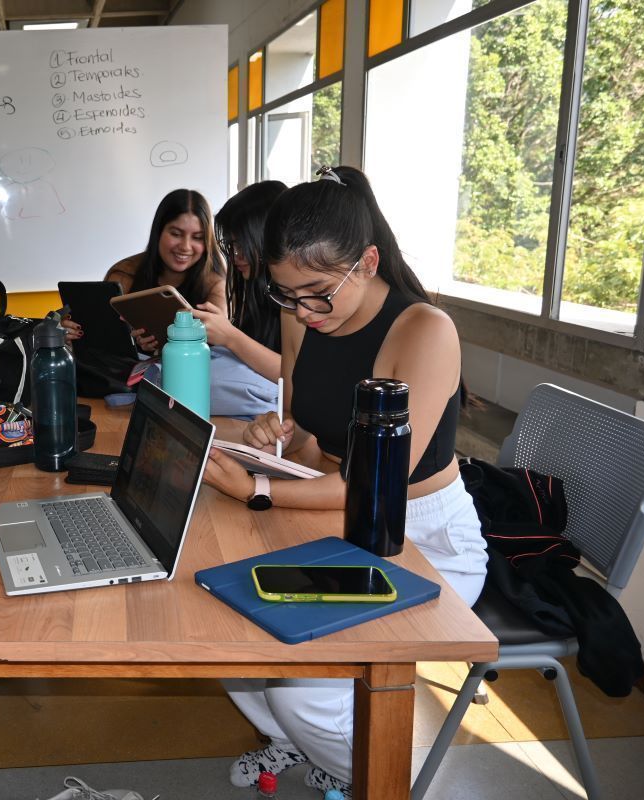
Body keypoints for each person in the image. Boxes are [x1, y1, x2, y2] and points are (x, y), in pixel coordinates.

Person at [202, 166, 488, 798]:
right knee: (228, 638)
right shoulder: (304, 316)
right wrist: (275, 437)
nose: (303, 310)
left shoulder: (423, 330)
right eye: (286, 295)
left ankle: (381, 780)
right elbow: (312, 432)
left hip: (425, 542)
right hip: (338, 517)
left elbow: (377, 483)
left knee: (304, 689)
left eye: (317, 292)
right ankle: (303, 746)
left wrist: (260, 491)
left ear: (367, 262)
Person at [67, 189, 226, 353]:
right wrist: (73, 336)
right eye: (176, 234)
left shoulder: (216, 283)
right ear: (159, 232)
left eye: (198, 237)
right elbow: (99, 340)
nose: (185, 246)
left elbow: (219, 348)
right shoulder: (124, 275)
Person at [191, 180, 287, 384]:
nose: (235, 256)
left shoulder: (295, 298)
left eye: (242, 245)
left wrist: (230, 336)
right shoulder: (254, 289)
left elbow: (294, 376)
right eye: (231, 245)